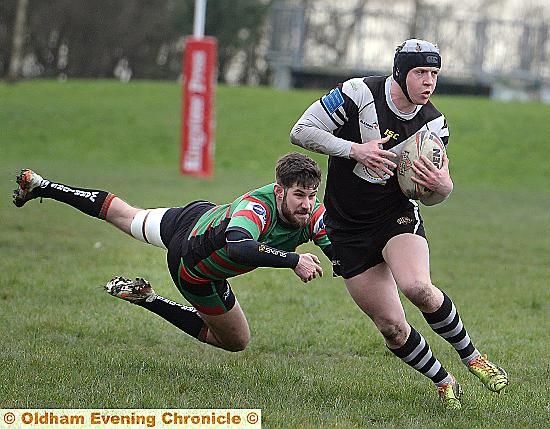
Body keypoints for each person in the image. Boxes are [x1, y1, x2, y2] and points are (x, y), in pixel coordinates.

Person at [289, 38, 508, 409]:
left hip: (395, 215)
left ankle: (473, 357)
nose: (429, 82)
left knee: (418, 287)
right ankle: (443, 380)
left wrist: (444, 187)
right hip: (346, 226)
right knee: (391, 326)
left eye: (434, 73)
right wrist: (354, 149)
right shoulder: (356, 94)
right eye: (421, 72)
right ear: (400, 72)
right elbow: (301, 131)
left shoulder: (434, 123)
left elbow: (434, 192)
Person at [12, 152, 332, 352]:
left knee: (125, 215)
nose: (306, 204)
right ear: (279, 191)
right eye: (298, 195)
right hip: (192, 264)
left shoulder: (311, 210)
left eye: (311, 196)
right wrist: (293, 260)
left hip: (197, 218)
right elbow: (238, 245)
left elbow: (339, 247)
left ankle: (42, 186)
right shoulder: (257, 208)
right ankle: (149, 299)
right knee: (236, 342)